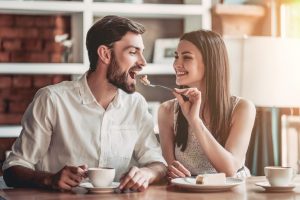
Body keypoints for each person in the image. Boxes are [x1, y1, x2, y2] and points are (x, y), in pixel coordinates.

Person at [3, 15, 166, 192]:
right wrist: (50, 179)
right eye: (133, 52)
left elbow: (157, 163)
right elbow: (13, 169)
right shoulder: (52, 99)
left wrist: (146, 173)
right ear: (105, 54)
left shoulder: (136, 105)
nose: (143, 62)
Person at [158, 30, 256, 179]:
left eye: (187, 57)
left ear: (210, 63)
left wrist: (194, 120)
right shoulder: (167, 110)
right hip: (186, 192)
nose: (177, 64)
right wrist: (170, 171)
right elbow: (172, 170)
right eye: (176, 56)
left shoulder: (242, 108)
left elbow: (229, 170)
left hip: (232, 192)